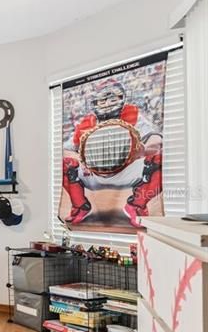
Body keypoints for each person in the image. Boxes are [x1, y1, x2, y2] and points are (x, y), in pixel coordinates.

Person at [61, 78, 162, 227]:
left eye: (112, 98)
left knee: (160, 161)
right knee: (65, 165)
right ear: (95, 104)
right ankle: (80, 205)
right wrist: (81, 158)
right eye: (102, 100)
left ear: (121, 98)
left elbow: (156, 139)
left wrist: (144, 150)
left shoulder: (133, 114)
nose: (107, 103)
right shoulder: (86, 123)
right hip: (93, 173)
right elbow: (65, 150)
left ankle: (136, 205)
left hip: (125, 171)